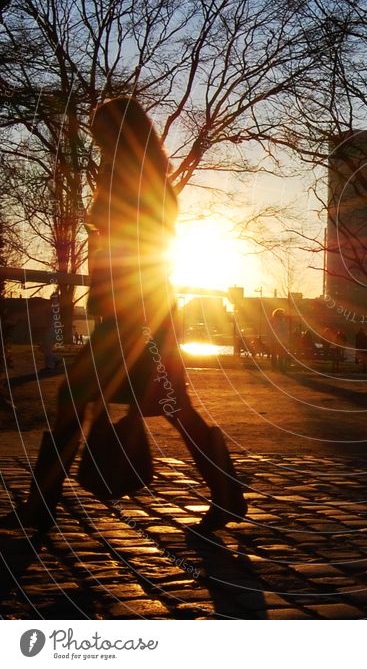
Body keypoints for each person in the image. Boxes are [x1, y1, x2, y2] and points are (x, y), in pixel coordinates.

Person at [0, 97, 246, 533]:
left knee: (78, 400)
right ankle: (225, 492)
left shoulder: (132, 181)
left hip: (133, 317)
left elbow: (138, 252)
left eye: (101, 134)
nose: (97, 142)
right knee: (173, 408)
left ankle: (43, 503)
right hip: (143, 314)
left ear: (119, 135)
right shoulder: (141, 178)